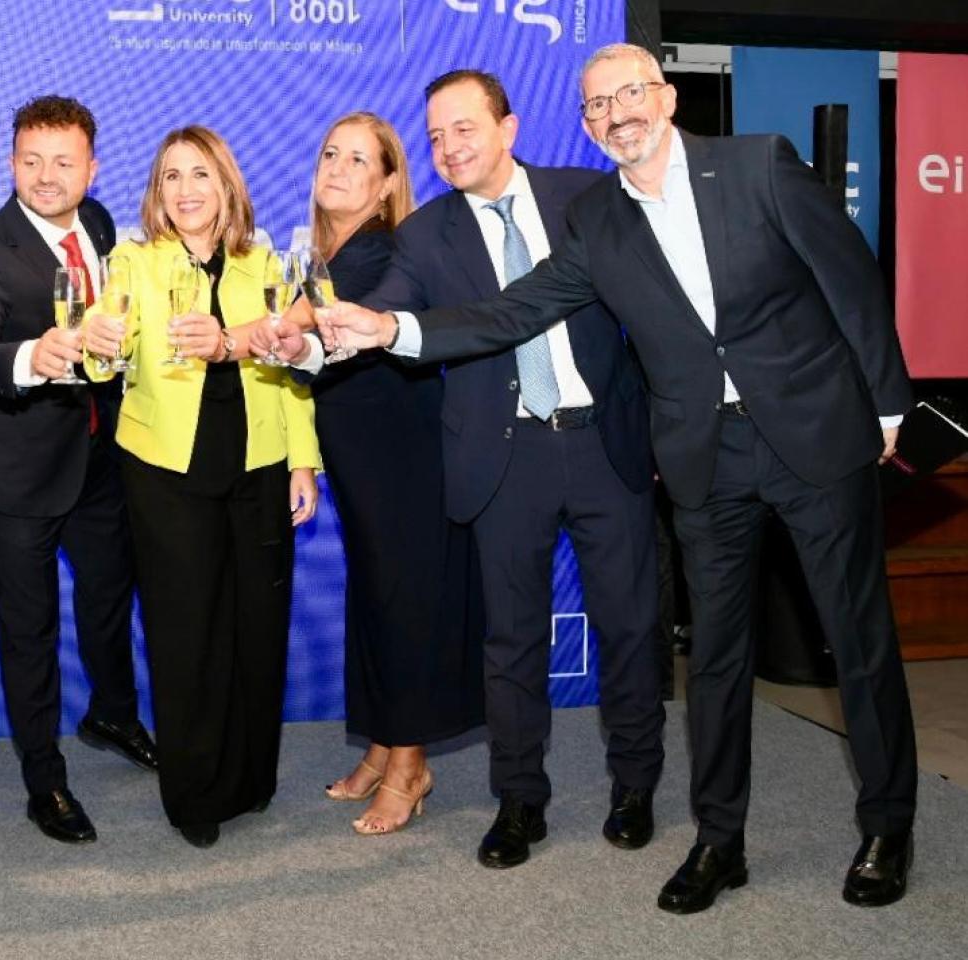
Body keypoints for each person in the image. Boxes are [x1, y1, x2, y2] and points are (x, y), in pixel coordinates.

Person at [322, 43, 916, 912]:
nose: (616, 115)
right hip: (703, 455)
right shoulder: (598, 219)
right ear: (587, 124)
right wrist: (388, 332)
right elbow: (512, 312)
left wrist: (889, 404)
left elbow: (849, 276)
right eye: (597, 106)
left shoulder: (758, 165)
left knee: (856, 641)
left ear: (665, 97)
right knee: (714, 659)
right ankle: (719, 841)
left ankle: (888, 826)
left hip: (812, 435)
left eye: (629, 94)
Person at [295, 75, 664, 859]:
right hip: (506, 455)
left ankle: (635, 786)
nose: (449, 147)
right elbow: (389, 311)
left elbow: (657, 295)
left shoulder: (585, 196)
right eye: (435, 136)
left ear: (509, 128)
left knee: (631, 628)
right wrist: (322, 339)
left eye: (463, 128)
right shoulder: (426, 234)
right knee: (512, 641)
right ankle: (520, 799)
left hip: (605, 445)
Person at [81, 125, 319, 848]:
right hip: (166, 472)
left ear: (226, 185)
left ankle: (250, 779)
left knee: (258, 628)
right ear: (157, 192)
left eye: (200, 174)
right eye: (171, 177)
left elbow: (291, 365)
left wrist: (303, 460)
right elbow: (107, 345)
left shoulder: (264, 261)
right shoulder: (135, 260)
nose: (185, 190)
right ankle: (195, 795)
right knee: (187, 636)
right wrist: (98, 344)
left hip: (259, 465)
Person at [277, 111, 487, 838]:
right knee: (376, 600)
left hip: (406, 457)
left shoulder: (381, 252)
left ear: (389, 183)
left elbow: (295, 329)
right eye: (330, 154)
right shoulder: (324, 254)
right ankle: (381, 745)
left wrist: (235, 334)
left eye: (358, 160)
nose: (337, 169)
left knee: (405, 606)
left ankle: (410, 765)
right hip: (362, 458)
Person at [0, 95, 156, 845]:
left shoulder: (98, 226)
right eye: (31, 161)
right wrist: (30, 357)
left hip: (98, 457)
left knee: (110, 596)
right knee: (28, 629)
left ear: (91, 168)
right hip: (20, 471)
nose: (46, 177)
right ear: (11, 164)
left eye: (63, 162)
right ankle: (44, 779)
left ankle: (113, 714)